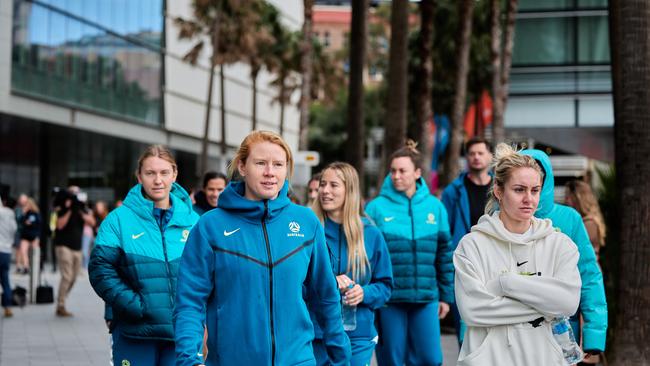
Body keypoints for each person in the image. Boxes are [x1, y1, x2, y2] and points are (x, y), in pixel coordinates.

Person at [174, 130, 351, 366]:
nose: (270, 172)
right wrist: (189, 359)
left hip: (298, 360)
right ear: (243, 166)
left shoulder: (307, 222)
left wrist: (341, 358)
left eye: (278, 164)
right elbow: (189, 301)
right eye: (261, 163)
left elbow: (326, 296)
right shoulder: (210, 226)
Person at [454, 144, 581, 365]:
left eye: (535, 190)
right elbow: (473, 311)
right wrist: (546, 305)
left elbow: (568, 304)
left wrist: (506, 283)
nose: (529, 199)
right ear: (498, 190)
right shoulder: (471, 246)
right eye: (519, 189)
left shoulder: (560, 245)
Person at [89, 145, 199, 366]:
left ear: (174, 174)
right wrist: (134, 305)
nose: (157, 180)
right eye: (150, 173)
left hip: (181, 334)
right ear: (139, 176)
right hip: (135, 330)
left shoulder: (193, 221)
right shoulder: (118, 219)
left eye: (164, 173)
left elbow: (206, 273)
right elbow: (100, 269)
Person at [366, 140, 454, 366]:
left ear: (417, 173)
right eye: (393, 171)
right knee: (392, 360)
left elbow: (444, 255)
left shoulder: (435, 207)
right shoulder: (375, 208)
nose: (396, 176)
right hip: (389, 299)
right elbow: (365, 257)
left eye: (402, 171)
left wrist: (446, 296)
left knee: (430, 359)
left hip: (426, 298)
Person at [521, 149, 607, 361]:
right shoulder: (497, 220)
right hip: (513, 329)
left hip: (562, 330)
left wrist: (594, 334)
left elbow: (589, 274)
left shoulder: (569, 218)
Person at [311, 162, 393, 366]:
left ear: (350, 190)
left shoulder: (371, 234)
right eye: (323, 184)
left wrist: (364, 293)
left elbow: (385, 285)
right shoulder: (308, 231)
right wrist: (330, 281)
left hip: (357, 336)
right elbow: (295, 282)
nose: (325, 191)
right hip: (315, 335)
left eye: (333, 185)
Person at [441, 137, 493, 343]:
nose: (476, 157)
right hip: (464, 264)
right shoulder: (453, 191)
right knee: (465, 328)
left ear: (490, 157)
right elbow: (445, 232)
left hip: (493, 263)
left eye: (481, 153)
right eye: (472, 154)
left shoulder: (500, 188)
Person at [53, 186, 95, 316]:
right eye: (73, 193)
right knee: (67, 276)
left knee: (74, 277)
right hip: (63, 246)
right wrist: (70, 209)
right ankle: (60, 304)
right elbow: (60, 225)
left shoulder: (81, 208)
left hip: (77, 248)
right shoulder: (62, 208)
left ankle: (62, 299)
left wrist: (80, 210)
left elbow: (92, 222)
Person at [564, 180, 606, 262]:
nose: (565, 201)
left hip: (586, 271)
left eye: (567, 197)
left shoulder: (589, 223)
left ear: (577, 197)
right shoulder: (588, 221)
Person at [0, 197, 17, 317]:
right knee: (5, 280)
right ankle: (7, 307)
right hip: (6, 252)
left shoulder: (1, 212)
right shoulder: (13, 219)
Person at [17, 197, 41, 275]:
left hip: (34, 235)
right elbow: (21, 221)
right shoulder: (25, 213)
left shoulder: (36, 213)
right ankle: (26, 267)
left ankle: (35, 267)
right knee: (23, 251)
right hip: (25, 236)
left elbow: (37, 223)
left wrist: (29, 223)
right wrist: (24, 214)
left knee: (34, 252)